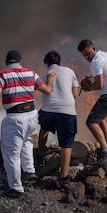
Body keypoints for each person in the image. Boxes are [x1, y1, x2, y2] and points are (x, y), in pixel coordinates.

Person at [0, 50, 58, 198]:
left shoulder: (1, 76)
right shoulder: (31, 73)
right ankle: (30, 172)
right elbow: (47, 90)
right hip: (32, 115)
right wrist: (50, 79)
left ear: (7, 62)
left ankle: (16, 188)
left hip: (14, 117)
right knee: (27, 142)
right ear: (20, 62)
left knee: (11, 152)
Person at [77, 39, 107, 166]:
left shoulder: (95, 62)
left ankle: (105, 151)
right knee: (100, 118)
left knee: (91, 122)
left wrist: (88, 89)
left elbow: (100, 85)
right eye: (84, 55)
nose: (87, 57)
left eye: (88, 53)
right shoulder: (105, 55)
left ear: (93, 48)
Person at [37, 51, 79, 188]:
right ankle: (63, 177)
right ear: (60, 61)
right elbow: (75, 95)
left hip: (48, 111)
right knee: (66, 143)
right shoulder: (69, 71)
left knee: (43, 129)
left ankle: (40, 153)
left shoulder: (44, 74)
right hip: (67, 112)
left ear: (46, 63)